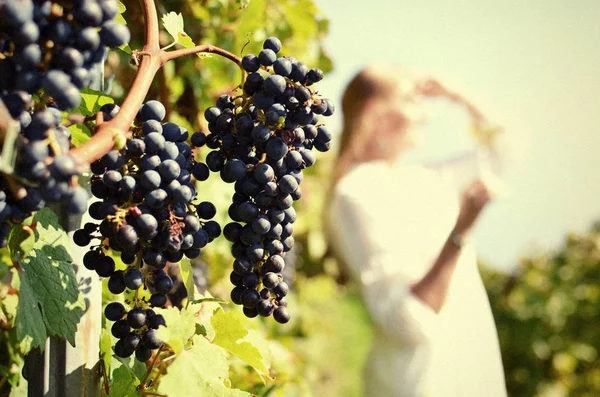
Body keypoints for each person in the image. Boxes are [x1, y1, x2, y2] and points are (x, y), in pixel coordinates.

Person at [325, 63, 508, 397]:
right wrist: (460, 232)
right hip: (421, 385)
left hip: (465, 377)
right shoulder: (356, 194)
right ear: (375, 114)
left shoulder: (423, 180)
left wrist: (458, 95)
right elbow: (407, 320)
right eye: (412, 100)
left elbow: (501, 152)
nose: (427, 115)